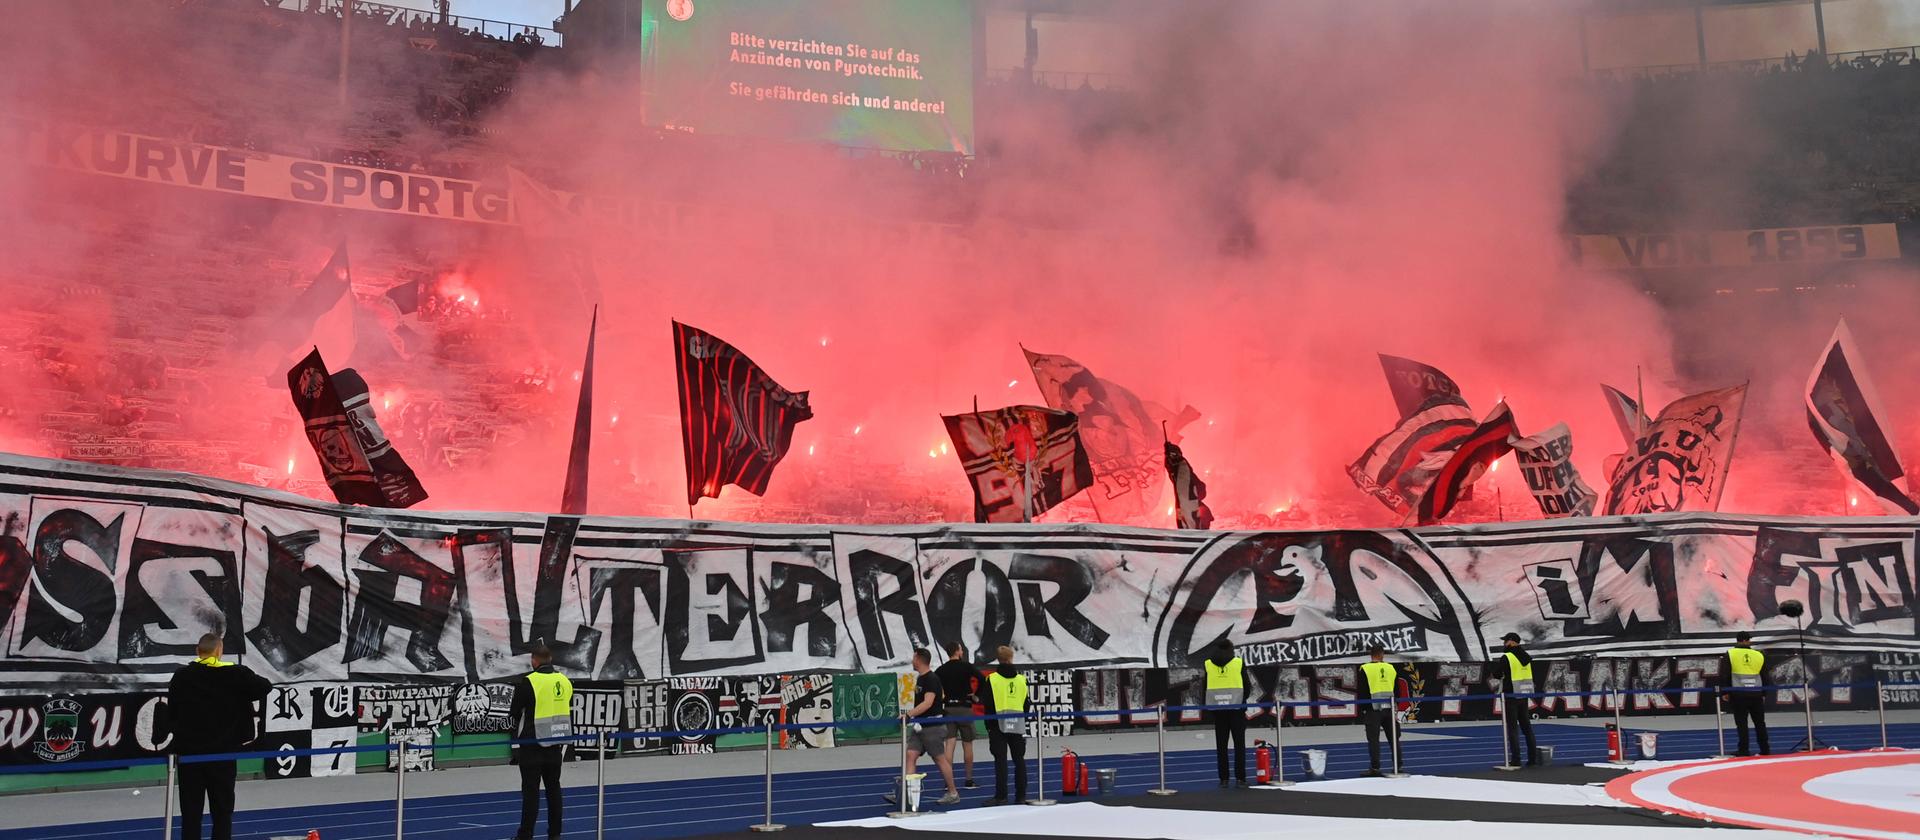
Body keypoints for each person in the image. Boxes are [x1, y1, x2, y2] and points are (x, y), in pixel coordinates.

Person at [165, 632, 271, 840]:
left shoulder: (182, 676)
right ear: (220, 651)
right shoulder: (236, 674)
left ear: (198, 651)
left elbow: (172, 711)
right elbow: (264, 687)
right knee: (222, 812)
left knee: (191, 813)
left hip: (190, 755)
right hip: (222, 755)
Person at [510, 642, 574, 840]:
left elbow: (514, 711)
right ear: (551, 659)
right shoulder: (564, 681)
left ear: (533, 660)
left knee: (531, 793)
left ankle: (525, 835)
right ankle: (555, 834)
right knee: (554, 790)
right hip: (556, 743)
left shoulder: (529, 681)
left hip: (532, 743)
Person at [883, 648, 962, 807]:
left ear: (919, 659)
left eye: (913, 658)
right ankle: (905, 793)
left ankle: (953, 793)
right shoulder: (921, 678)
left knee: (939, 759)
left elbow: (928, 702)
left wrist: (908, 715)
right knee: (910, 755)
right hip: (920, 726)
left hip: (932, 726)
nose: (912, 661)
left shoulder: (931, 679)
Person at [983, 645, 1029, 805]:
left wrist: (989, 725)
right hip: (1017, 723)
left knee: (1000, 761)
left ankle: (1001, 796)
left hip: (997, 725)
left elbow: (987, 704)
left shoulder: (992, 679)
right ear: (1011, 658)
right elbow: (1026, 704)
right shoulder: (1022, 680)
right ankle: (1021, 795)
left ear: (999, 659)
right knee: (1019, 760)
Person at [936, 641, 985, 789]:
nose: (962, 651)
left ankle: (947, 782)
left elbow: (935, 687)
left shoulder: (941, 670)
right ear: (957, 651)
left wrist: (943, 699)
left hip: (949, 708)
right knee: (967, 744)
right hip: (964, 707)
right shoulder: (966, 666)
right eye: (961, 649)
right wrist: (976, 695)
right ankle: (969, 780)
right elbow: (982, 678)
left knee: (949, 746)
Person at [1204, 639, 1249, 787]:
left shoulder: (1208, 664)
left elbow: (1205, 687)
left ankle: (1223, 779)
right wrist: (1240, 700)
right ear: (1231, 648)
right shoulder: (1238, 663)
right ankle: (1240, 778)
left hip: (1218, 710)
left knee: (1221, 746)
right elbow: (1247, 686)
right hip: (1237, 709)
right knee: (1239, 745)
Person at [1490, 632, 1539, 767]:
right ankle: (1533, 759)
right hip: (1523, 694)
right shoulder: (1526, 656)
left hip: (1511, 695)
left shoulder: (1507, 657)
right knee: (1527, 727)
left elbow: (1497, 673)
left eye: (1505, 641)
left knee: (1512, 729)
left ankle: (1516, 759)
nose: (1504, 643)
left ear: (1511, 642)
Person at [1724, 631, 1770, 756]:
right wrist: (1764, 693)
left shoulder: (1730, 654)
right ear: (1746, 640)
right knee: (1760, 723)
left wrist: (1726, 691)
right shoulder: (1759, 654)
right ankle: (1765, 749)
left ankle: (1743, 750)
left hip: (1738, 693)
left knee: (1741, 723)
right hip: (1756, 693)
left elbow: (1726, 674)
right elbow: (1765, 675)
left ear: (1738, 640)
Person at [1359, 645, 1402, 776]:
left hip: (1373, 708)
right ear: (1382, 654)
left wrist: (1363, 709)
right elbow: (1397, 690)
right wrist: (1395, 707)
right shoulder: (1391, 668)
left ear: (1370, 654)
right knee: (1394, 738)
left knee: (1373, 739)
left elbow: (1362, 690)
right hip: (1389, 707)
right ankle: (1398, 766)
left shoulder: (1365, 668)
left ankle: (1375, 768)